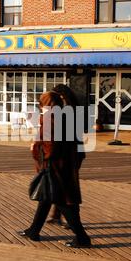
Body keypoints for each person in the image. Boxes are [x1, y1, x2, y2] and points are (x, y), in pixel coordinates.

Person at [18, 91, 91, 248]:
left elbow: (50, 145)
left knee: (63, 201)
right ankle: (34, 230)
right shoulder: (64, 116)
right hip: (64, 165)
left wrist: (35, 149)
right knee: (47, 198)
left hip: (54, 166)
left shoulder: (51, 117)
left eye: (42, 103)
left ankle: (82, 238)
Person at [47, 84, 86, 228]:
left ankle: (72, 220)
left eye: (59, 97)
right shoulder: (68, 110)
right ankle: (57, 215)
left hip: (71, 154)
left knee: (70, 187)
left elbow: (67, 137)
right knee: (62, 185)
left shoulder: (70, 111)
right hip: (71, 153)